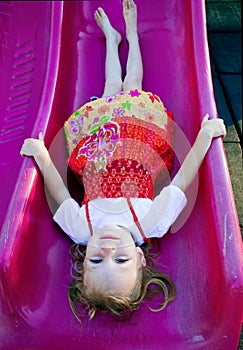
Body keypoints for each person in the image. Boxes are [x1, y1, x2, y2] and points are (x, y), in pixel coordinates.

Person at [20, 0, 226, 321]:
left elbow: (60, 194)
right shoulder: (151, 223)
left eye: (96, 261)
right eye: (121, 262)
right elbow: (183, 179)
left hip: (102, 143)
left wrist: (43, 156)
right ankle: (131, 33)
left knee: (110, 87)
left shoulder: (80, 229)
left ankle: (113, 41)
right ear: (141, 260)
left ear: (83, 259)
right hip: (136, 137)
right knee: (131, 85)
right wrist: (203, 136)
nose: (108, 251)